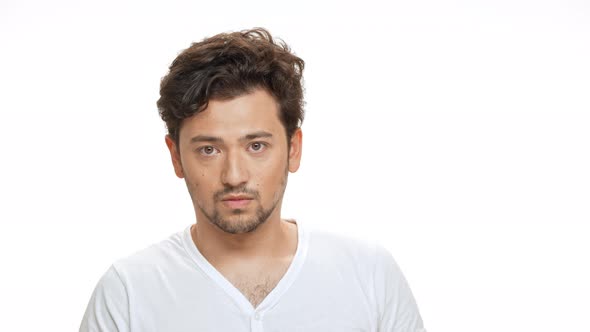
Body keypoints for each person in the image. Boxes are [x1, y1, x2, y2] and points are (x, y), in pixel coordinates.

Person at [79, 28, 426, 332]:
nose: (234, 176)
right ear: (176, 156)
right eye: (209, 150)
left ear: (293, 149)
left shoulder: (368, 275)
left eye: (256, 146)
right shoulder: (128, 293)